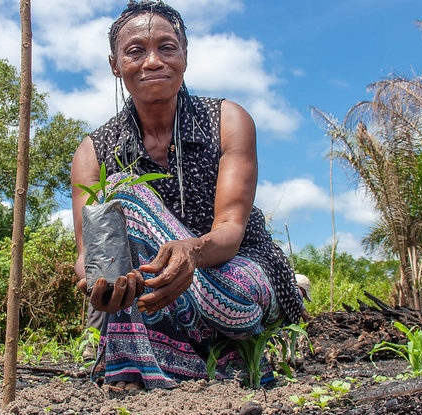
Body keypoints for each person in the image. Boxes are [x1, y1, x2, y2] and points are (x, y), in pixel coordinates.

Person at [71, 0, 303, 390]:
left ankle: (205, 349)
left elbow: (230, 228)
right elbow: (87, 253)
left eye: (166, 47)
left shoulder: (228, 121)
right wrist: (103, 284)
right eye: (135, 51)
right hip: (149, 285)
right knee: (120, 200)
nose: (153, 62)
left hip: (235, 266)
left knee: (228, 305)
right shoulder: (93, 151)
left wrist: (190, 253)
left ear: (184, 56)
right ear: (115, 65)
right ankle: (167, 365)